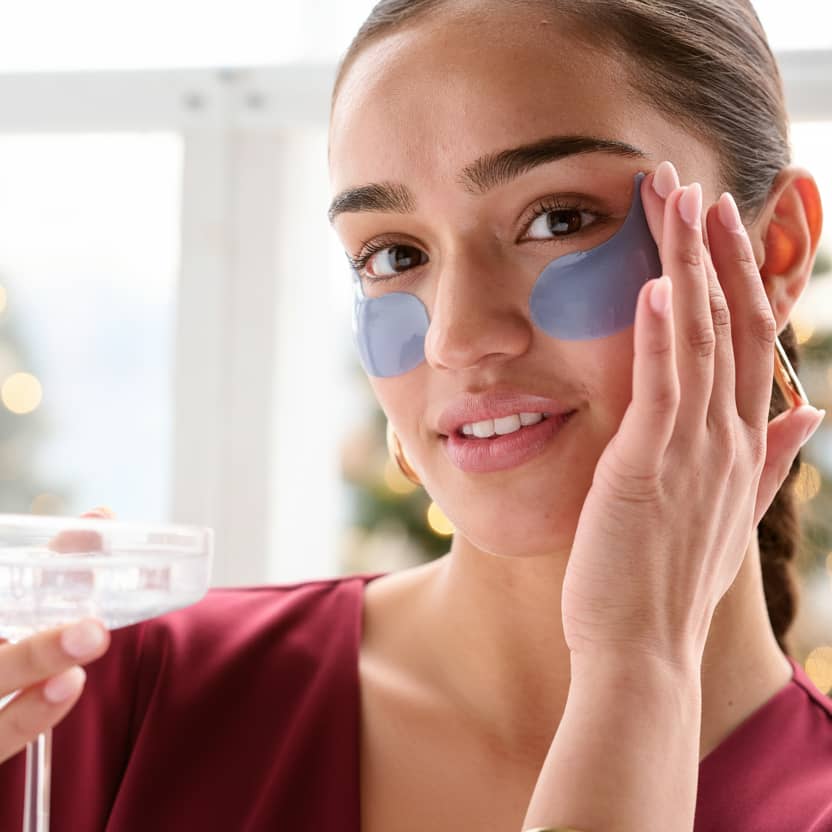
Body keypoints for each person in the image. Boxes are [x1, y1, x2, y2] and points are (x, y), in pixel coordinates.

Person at [0, 1, 830, 829]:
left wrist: (636, 664)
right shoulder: (98, 699)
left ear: (776, 249)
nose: (455, 337)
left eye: (559, 220)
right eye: (394, 254)